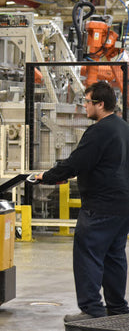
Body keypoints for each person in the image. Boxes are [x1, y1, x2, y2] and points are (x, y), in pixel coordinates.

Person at [36, 80, 129, 323]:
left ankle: (91, 310)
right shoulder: (123, 127)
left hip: (100, 206)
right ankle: (118, 307)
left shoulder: (99, 131)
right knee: (114, 255)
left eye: (86, 102)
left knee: (88, 254)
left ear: (100, 104)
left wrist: (47, 176)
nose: (84, 107)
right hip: (122, 206)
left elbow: (78, 162)